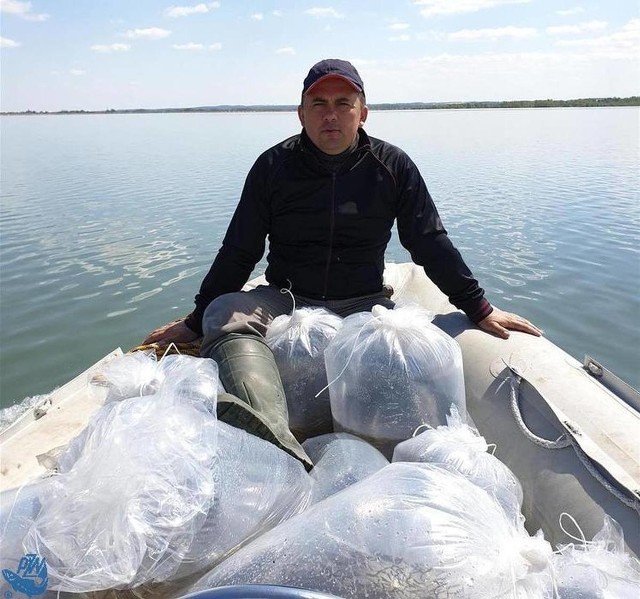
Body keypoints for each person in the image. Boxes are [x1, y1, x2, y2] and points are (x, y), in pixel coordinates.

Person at [143, 59, 541, 468]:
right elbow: (239, 251)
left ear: (362, 112)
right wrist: (195, 321)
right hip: (286, 299)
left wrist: (478, 307)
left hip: (364, 302)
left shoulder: (392, 166)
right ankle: (272, 438)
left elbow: (429, 243)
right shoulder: (272, 167)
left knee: (405, 348)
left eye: (342, 102)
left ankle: (407, 460)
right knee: (224, 312)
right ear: (301, 113)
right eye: (317, 103)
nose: (330, 114)